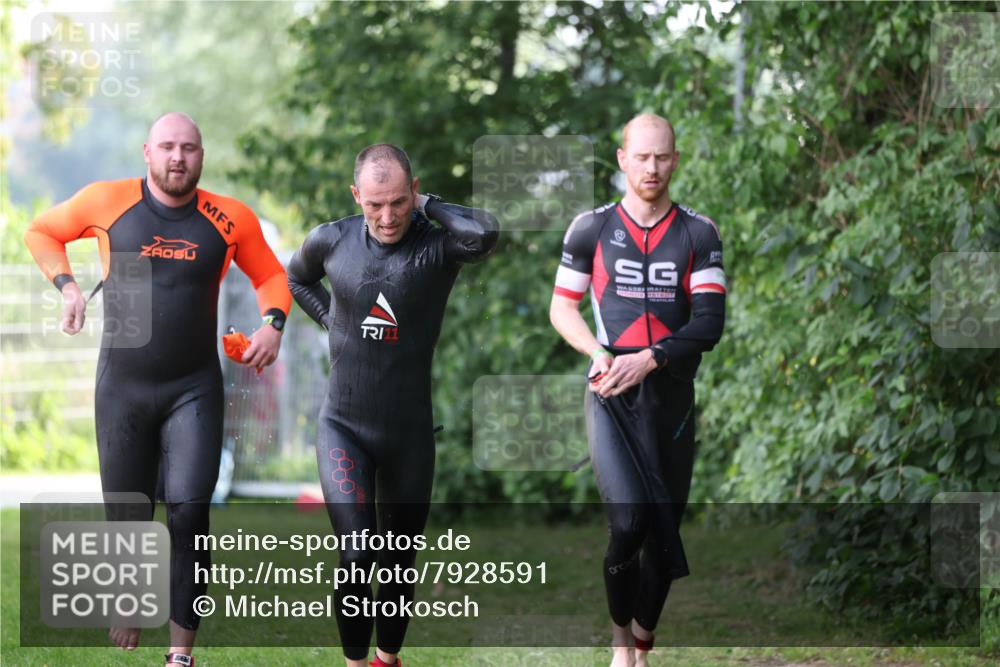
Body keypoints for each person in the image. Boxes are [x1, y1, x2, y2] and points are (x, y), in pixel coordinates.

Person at [24, 112, 292, 667]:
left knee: (190, 513)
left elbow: (272, 276)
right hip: (122, 388)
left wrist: (273, 324)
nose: (178, 158)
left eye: (189, 148)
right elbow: (41, 231)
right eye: (168, 147)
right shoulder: (106, 201)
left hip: (193, 388)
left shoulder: (230, 218)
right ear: (147, 152)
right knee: (129, 515)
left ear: (201, 155)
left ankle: (180, 655)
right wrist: (68, 288)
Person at [286, 144, 499, 667]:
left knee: (399, 559)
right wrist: (333, 322)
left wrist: (430, 207)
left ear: (415, 191)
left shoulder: (436, 245)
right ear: (356, 195)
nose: (387, 217)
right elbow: (296, 278)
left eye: (399, 202)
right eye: (375, 204)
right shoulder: (332, 239)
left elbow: (486, 233)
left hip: (409, 433)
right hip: (344, 427)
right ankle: (356, 664)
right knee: (359, 555)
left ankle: (387, 659)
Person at [549, 113, 726, 667]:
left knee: (661, 527)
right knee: (627, 521)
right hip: (610, 393)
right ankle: (621, 644)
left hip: (669, 395)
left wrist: (650, 359)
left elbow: (709, 324)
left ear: (675, 161)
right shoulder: (590, 229)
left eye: (662, 157)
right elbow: (562, 308)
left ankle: (644, 640)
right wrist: (600, 354)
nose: (652, 167)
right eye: (641, 156)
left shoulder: (699, 233)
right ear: (623, 160)